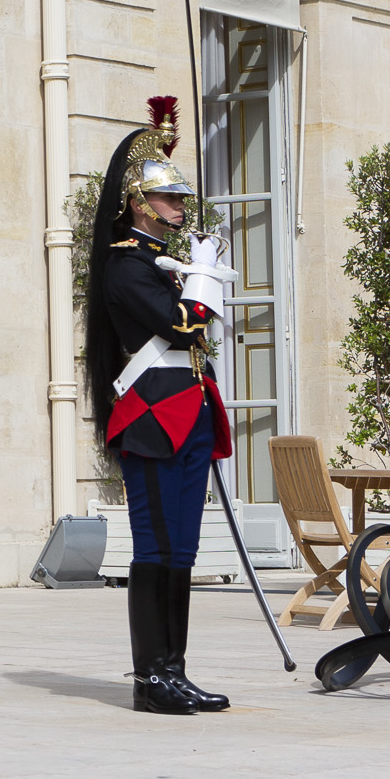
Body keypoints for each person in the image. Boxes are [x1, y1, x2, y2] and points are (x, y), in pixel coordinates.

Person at [83, 97, 233, 716]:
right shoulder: (126, 268)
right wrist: (201, 279)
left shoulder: (162, 265)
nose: (178, 209)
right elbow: (184, 326)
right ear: (139, 204)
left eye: (179, 200)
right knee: (157, 547)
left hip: (188, 412)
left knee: (184, 551)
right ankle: (151, 679)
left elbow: (199, 333)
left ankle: (176, 669)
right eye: (169, 200)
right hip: (151, 419)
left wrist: (195, 270)